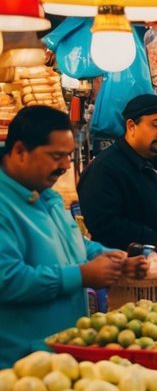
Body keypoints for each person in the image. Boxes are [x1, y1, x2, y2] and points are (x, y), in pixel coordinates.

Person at [0, 106, 146, 363]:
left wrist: (112, 258)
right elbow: (8, 279)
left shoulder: (47, 195)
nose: (66, 166)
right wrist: (81, 275)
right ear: (20, 151)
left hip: (62, 351)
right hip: (20, 362)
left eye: (68, 155)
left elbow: (75, 244)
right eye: (57, 156)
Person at [78, 94, 157, 253]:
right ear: (131, 126)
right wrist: (155, 240)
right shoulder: (105, 168)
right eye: (156, 125)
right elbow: (103, 225)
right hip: (128, 269)